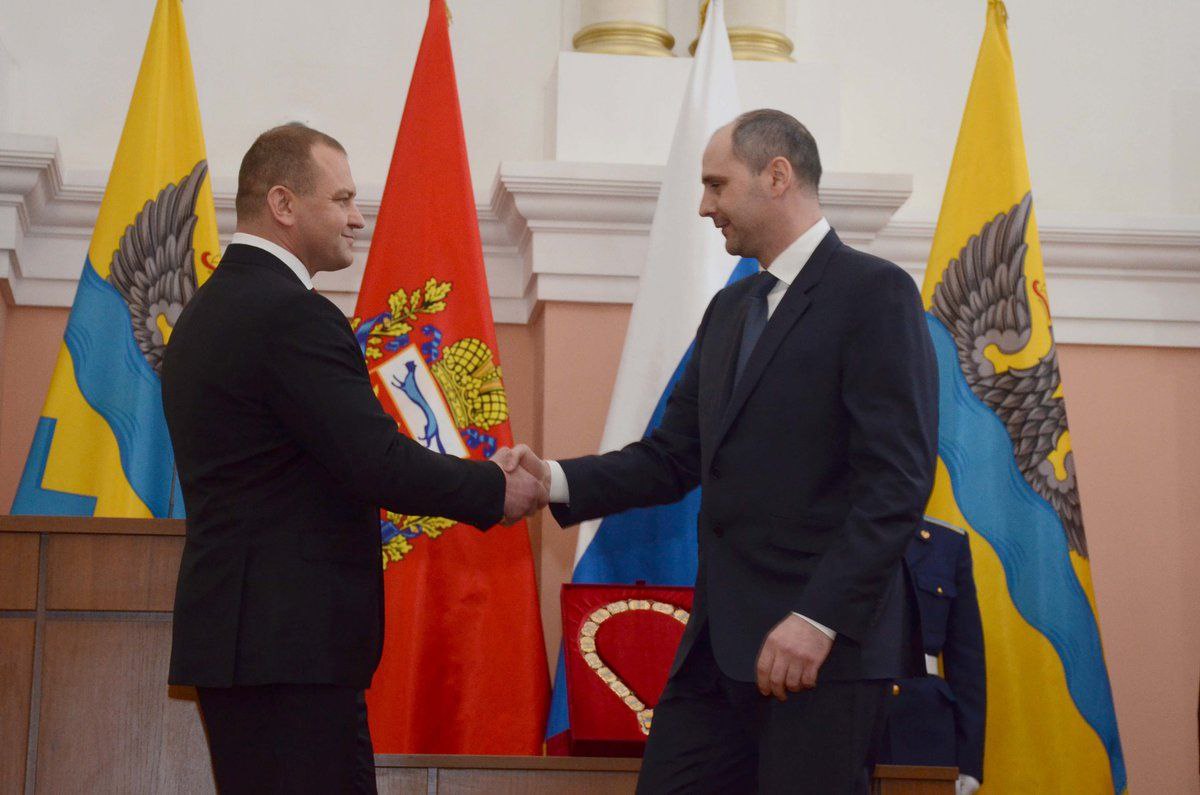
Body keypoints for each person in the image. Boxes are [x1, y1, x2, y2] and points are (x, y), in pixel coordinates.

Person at [503, 109, 938, 793]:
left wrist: (817, 617)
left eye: (716, 184)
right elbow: (671, 457)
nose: (705, 206)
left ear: (777, 175)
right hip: (716, 649)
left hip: (822, 650)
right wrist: (551, 479)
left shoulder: (874, 292)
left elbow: (898, 482)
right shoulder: (729, 313)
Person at [161, 123, 546, 794]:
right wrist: (493, 487)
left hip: (241, 646)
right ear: (283, 203)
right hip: (294, 652)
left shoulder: (205, 313)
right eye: (341, 200)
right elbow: (374, 461)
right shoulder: (292, 315)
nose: (358, 218)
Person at [877, 518, 985, 795]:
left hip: (923, 729)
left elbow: (966, 662)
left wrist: (969, 760)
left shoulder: (947, 543)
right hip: (842, 726)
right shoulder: (827, 529)